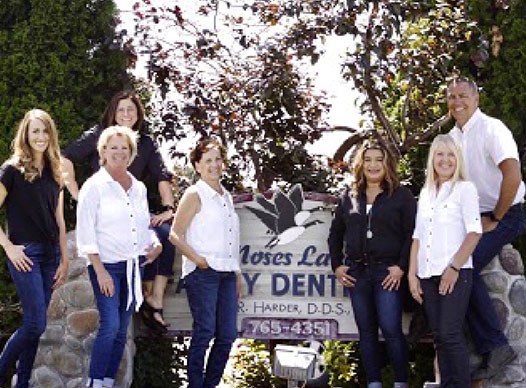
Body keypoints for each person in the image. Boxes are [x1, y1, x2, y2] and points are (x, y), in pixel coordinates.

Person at [62, 90, 175, 333]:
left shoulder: (145, 142)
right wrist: (75, 192)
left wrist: (169, 208)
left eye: (131, 110)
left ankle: (154, 299)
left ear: (138, 114)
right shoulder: (99, 135)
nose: (126, 114)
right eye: (121, 109)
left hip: (135, 210)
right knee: (112, 326)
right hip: (107, 214)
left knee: (166, 234)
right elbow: (66, 156)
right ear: (113, 112)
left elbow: (161, 176)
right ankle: (142, 292)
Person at [447, 77, 525, 380]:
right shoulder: (451, 138)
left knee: (463, 268)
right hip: (472, 218)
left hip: (507, 213)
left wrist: (495, 216)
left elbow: (513, 176)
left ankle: (496, 346)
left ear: (476, 98)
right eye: (452, 97)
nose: (457, 102)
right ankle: (483, 346)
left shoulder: (493, 129)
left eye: (463, 95)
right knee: (450, 268)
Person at [76, 126, 162, 388]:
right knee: (110, 325)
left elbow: (142, 223)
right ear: (102, 151)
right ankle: (94, 383)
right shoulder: (94, 187)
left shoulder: (138, 188)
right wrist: (100, 270)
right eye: (113, 147)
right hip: (107, 267)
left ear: (132, 153)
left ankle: (107, 381)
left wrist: (155, 243)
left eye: (125, 148)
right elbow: (86, 230)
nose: (119, 152)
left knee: (121, 331)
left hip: (133, 266)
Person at [328, 139, 415, 388]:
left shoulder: (401, 195)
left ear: (387, 164)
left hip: (388, 272)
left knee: (391, 330)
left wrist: (401, 266)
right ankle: (374, 383)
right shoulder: (349, 195)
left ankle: (401, 382)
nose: (373, 165)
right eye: (368, 160)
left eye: (379, 160)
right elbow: (335, 234)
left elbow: (413, 234)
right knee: (365, 333)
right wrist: (337, 265)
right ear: (360, 164)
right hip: (357, 273)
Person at [0, 109, 69, 388]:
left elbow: (60, 220)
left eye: (45, 131)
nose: (40, 136)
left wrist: (64, 259)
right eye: (35, 131)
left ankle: (23, 383)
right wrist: (9, 248)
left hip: (51, 256)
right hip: (25, 255)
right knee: (35, 325)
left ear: (51, 135)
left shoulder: (56, 171)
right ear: (26, 135)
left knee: (34, 328)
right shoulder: (11, 170)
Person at [408, 134, 482, 387]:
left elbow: (475, 232)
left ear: (457, 159)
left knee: (450, 334)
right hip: (427, 275)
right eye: (440, 154)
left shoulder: (465, 189)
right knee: (439, 336)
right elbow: (417, 236)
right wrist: (411, 274)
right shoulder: (426, 193)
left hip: (456, 273)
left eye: (451, 154)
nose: (445, 159)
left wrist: (454, 268)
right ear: (432, 159)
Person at [169, 138, 240, 388]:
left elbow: (231, 238)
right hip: (204, 273)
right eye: (208, 160)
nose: (214, 165)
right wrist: (199, 260)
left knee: (228, 335)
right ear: (197, 165)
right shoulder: (195, 193)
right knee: (204, 332)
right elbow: (174, 234)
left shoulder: (226, 196)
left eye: (218, 159)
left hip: (227, 274)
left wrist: (238, 274)